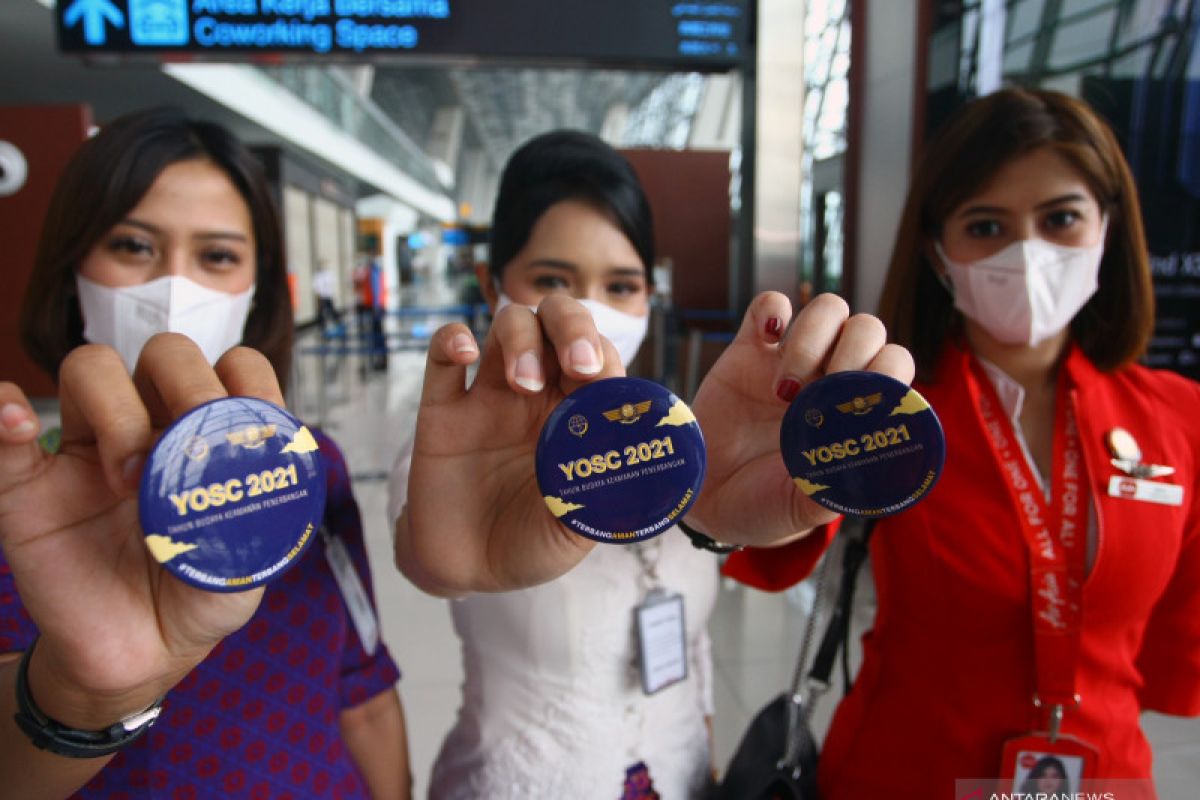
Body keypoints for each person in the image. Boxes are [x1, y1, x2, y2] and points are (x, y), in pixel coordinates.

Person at [720, 87, 1199, 797]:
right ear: (938, 254)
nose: (1027, 253)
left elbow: (1173, 652)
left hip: (1107, 772)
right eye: (986, 225)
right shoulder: (881, 410)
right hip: (906, 768)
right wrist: (754, 463)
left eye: (1061, 217)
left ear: (1108, 227)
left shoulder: (1179, 415)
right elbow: (767, 553)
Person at [1, 108, 410, 799]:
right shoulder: (24, 502)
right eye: (133, 246)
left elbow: (362, 691)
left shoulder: (310, 469)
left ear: (257, 289)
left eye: (217, 255)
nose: (173, 289)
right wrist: (79, 692)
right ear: (72, 266)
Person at [390, 130, 720, 798]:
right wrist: (445, 557)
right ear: (492, 285)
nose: (587, 311)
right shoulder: (448, 462)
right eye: (551, 280)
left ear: (648, 298)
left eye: (620, 285)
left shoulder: (678, 445)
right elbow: (432, 560)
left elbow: (692, 647)